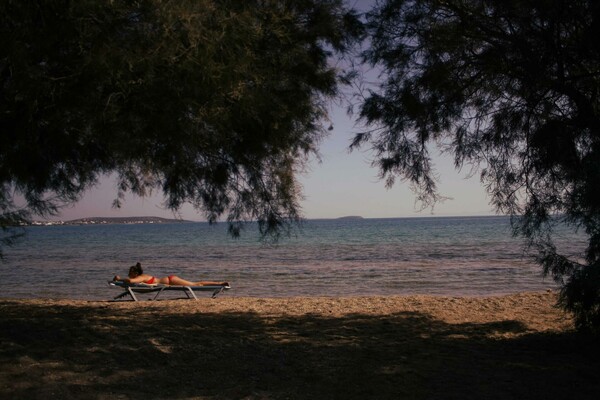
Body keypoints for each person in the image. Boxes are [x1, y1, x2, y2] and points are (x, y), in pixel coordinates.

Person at [113, 262, 229, 286]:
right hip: (169, 280)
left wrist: (119, 279)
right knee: (196, 284)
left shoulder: (140, 277)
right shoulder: (142, 276)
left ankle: (220, 283)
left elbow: (131, 281)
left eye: (130, 273)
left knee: (196, 284)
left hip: (170, 280)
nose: (128, 274)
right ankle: (220, 283)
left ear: (135, 273)